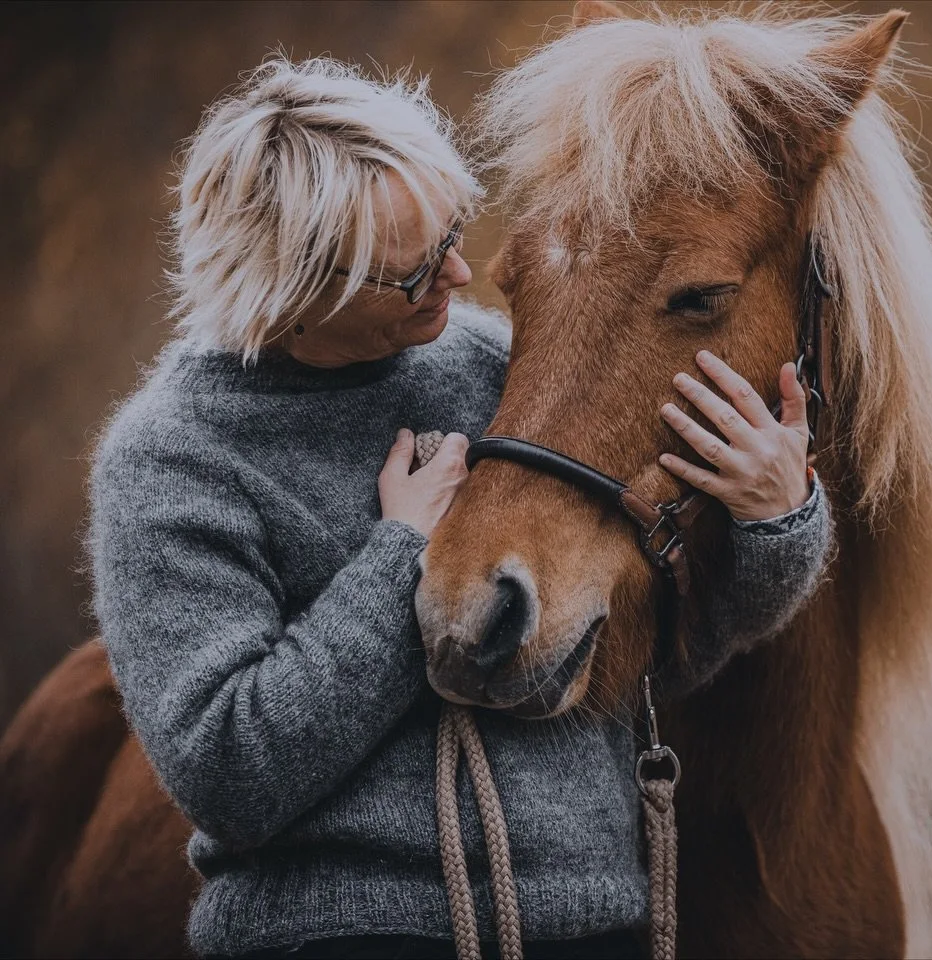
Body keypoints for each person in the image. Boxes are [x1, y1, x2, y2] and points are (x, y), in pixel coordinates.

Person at [88, 58, 831, 960]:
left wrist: (776, 520)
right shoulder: (175, 460)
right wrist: (399, 551)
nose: (461, 273)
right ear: (289, 293)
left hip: (590, 925)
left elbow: (659, 659)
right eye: (411, 273)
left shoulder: (500, 371)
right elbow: (232, 774)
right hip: (339, 939)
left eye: (452, 233)